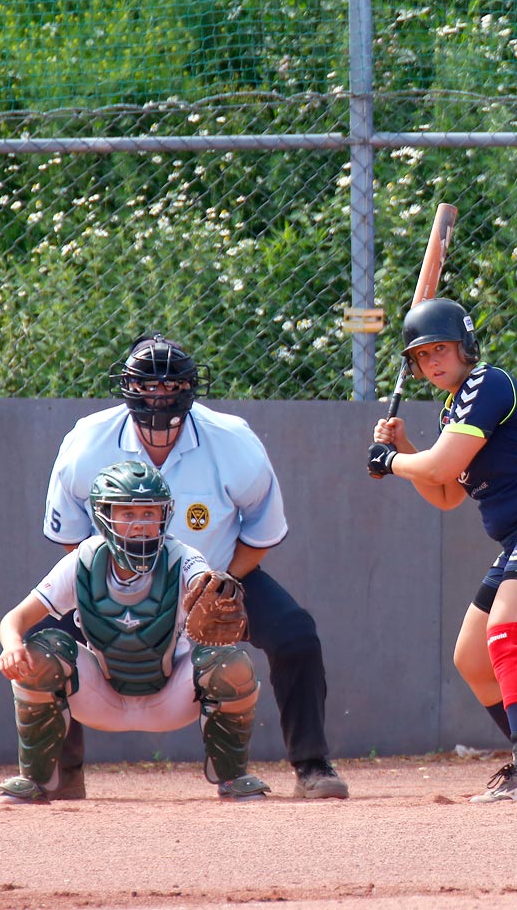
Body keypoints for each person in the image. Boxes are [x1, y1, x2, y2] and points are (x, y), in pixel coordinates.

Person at [40, 332, 348, 799]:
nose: (159, 397)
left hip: (217, 575)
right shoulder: (87, 443)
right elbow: (70, 540)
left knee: (297, 635)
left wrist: (220, 584)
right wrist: (105, 590)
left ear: (190, 390)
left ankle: (312, 766)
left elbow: (260, 532)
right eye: (147, 387)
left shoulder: (232, 441)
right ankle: (63, 775)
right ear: (128, 390)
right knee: (44, 641)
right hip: (114, 578)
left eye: (170, 388)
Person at [367, 298, 517, 802]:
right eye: (422, 355)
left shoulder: (487, 384)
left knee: (509, 636)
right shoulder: (454, 408)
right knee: (474, 658)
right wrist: (408, 450)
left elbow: (436, 471)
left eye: (442, 349)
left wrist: (391, 461)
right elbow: (448, 492)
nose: (433, 362)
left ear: (465, 348)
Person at [0, 460, 271, 803]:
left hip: (172, 694)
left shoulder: (181, 556)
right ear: (104, 517)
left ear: (164, 516)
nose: (141, 525)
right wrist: (12, 646)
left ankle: (233, 777)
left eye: (150, 514)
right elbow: (15, 618)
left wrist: (211, 589)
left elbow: (202, 578)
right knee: (42, 651)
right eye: (128, 515)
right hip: (102, 697)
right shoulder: (82, 561)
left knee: (232, 662)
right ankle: (35, 780)